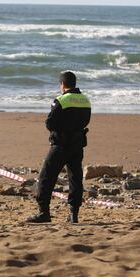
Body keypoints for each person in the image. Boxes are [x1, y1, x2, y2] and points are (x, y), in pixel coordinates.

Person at [27, 71, 91, 224]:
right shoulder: (85, 100)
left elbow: (50, 123)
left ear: (62, 85)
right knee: (75, 178)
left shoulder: (61, 100)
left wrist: (61, 130)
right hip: (77, 144)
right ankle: (73, 214)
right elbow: (86, 121)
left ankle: (44, 212)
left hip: (61, 145)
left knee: (46, 177)